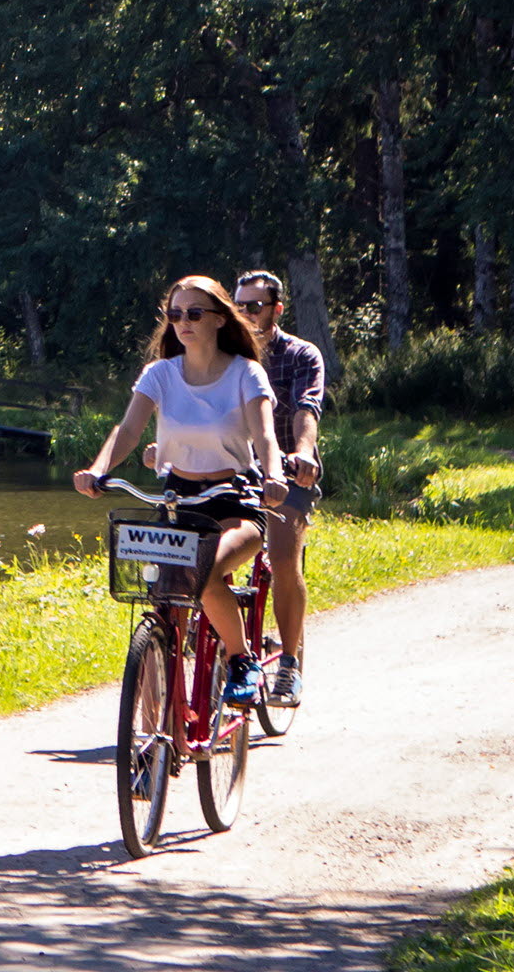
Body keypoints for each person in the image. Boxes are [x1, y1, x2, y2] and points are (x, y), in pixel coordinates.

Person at [76, 274, 277, 702]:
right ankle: (160, 727)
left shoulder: (246, 373)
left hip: (233, 497)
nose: (182, 321)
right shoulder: (160, 374)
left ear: (221, 319)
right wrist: (98, 469)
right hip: (178, 498)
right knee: (163, 599)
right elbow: (128, 430)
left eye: (194, 313)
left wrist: (273, 475)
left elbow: (264, 437)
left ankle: (242, 660)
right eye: (175, 314)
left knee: (202, 574)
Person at [234, 270, 329, 705]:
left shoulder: (301, 355)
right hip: (233, 470)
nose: (246, 314)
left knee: (284, 553)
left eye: (255, 306)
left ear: (277, 309)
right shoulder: (225, 355)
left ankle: (288, 664)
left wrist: (304, 452)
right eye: (239, 306)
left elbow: (306, 408)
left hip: (289, 471)